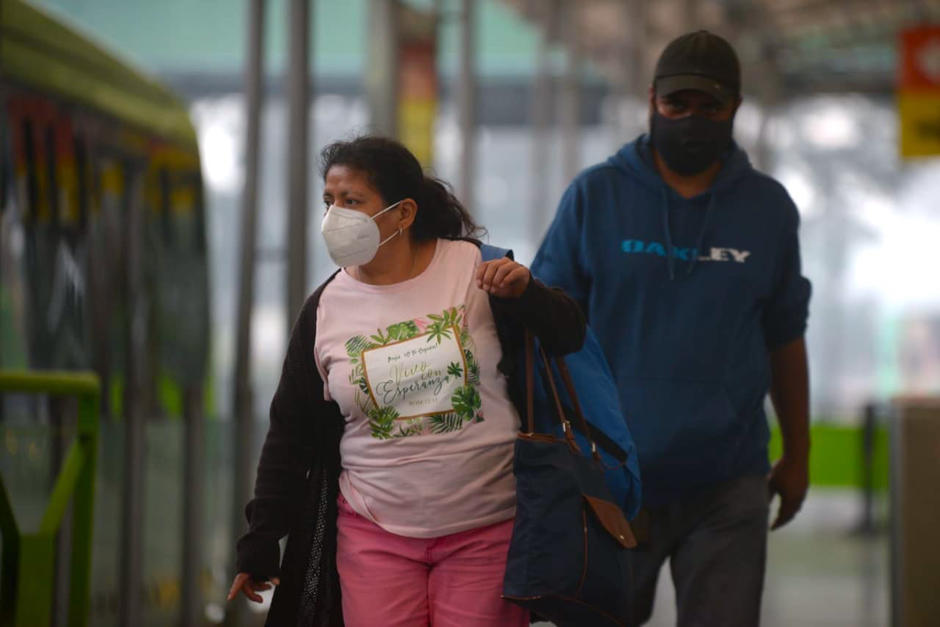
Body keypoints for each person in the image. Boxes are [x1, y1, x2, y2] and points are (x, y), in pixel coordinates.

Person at [228, 136, 586, 626]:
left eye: (353, 202)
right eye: (329, 202)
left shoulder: (476, 270)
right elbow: (291, 434)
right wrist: (262, 540)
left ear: (403, 213)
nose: (336, 216)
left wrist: (527, 294)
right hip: (374, 534)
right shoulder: (326, 309)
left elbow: (568, 333)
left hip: (487, 529)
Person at [531, 30, 812, 626]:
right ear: (652, 100)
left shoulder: (768, 208)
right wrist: (555, 451)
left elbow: (785, 334)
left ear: (735, 108)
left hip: (728, 480)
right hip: (612, 480)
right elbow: (545, 329)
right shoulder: (595, 197)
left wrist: (799, 451)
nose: (691, 119)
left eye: (709, 106)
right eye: (677, 105)